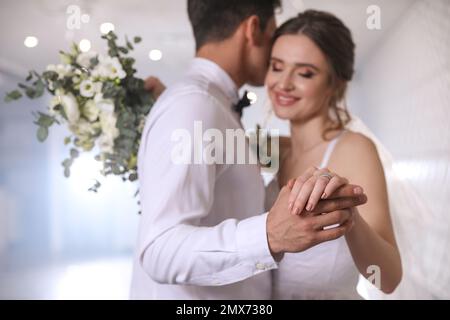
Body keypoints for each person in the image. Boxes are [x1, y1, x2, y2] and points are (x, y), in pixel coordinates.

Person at [130, 1, 366, 299]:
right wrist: (269, 234)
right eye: (272, 34)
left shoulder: (205, 108)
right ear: (254, 29)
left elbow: (245, 151)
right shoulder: (195, 106)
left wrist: (179, 119)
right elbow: (159, 250)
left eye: (304, 72)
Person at [264, 10, 402, 299]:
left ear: (335, 83)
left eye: (304, 73)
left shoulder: (354, 149)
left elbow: (387, 277)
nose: (283, 83)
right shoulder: (269, 148)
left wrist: (348, 214)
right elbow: (208, 142)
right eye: (276, 66)